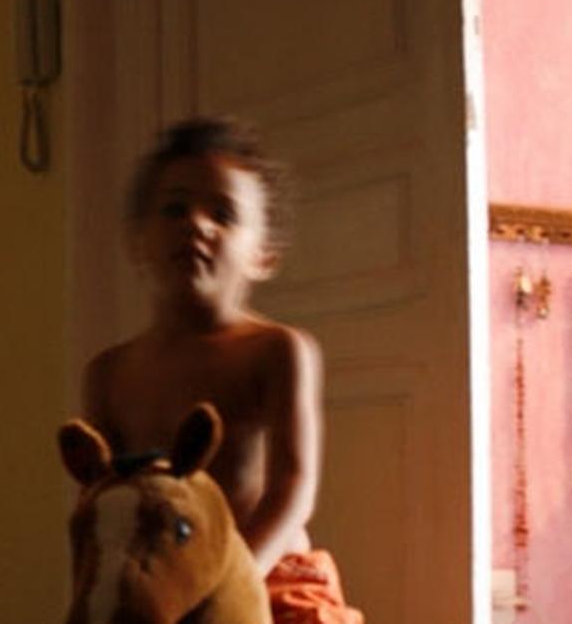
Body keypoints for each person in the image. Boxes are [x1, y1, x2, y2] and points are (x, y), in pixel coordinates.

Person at [81, 117, 363, 623]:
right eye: (175, 208)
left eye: (224, 213)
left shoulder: (277, 350)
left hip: (268, 576)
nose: (197, 223)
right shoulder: (109, 373)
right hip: (167, 583)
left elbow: (293, 489)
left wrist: (234, 584)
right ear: (138, 240)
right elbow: (104, 502)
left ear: (263, 255)